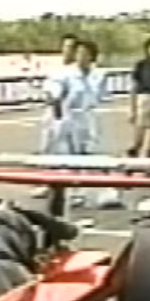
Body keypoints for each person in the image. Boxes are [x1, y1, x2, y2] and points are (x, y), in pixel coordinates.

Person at [40, 39, 109, 214]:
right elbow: (52, 90)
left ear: (92, 56)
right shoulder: (64, 74)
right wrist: (54, 99)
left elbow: (99, 97)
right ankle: (58, 191)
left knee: (86, 156)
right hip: (66, 118)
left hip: (87, 118)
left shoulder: (98, 75)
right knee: (64, 156)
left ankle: (79, 191)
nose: (81, 57)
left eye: (85, 53)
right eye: (78, 53)